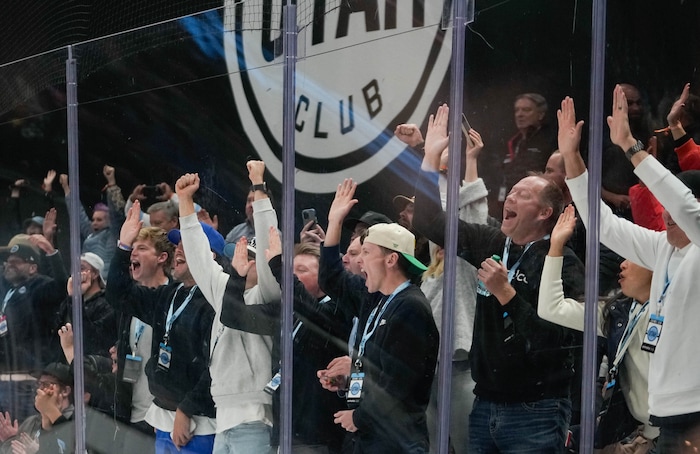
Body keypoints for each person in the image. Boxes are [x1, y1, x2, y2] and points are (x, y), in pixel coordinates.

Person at [413, 103, 584, 452]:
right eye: (513, 190)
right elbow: (428, 222)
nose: (512, 197)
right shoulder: (491, 242)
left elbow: (555, 343)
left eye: (525, 194)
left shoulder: (563, 263)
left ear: (545, 212)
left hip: (537, 409)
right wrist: (430, 158)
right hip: (485, 404)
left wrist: (506, 293)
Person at [559, 85, 700, 453]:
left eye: (672, 207)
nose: (666, 215)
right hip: (665, 410)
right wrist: (573, 159)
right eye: (663, 209)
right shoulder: (663, 249)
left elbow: (684, 204)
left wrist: (630, 146)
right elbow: (603, 224)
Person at [319, 179, 439, 453]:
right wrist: (334, 222)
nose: (359, 261)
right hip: (370, 436)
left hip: (395, 442)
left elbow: (397, 383)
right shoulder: (377, 299)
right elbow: (331, 278)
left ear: (391, 259)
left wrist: (359, 417)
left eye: (366, 252)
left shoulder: (410, 307)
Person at [175, 163, 279, 454]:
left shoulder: (269, 293)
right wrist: (185, 204)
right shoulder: (223, 290)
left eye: (256, 257)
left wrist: (258, 186)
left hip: (256, 419)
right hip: (224, 416)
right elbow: (199, 259)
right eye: (243, 254)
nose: (248, 261)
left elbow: (268, 232)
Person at [538, 205, 658, 451]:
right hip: (644, 433)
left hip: (683, 429)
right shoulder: (617, 313)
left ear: (657, 265)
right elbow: (551, 308)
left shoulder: (679, 310)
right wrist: (555, 247)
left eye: (631, 258)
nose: (621, 265)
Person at [221, 231, 353, 453]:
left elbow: (312, 312)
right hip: (284, 431)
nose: (292, 277)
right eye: (291, 271)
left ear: (324, 277)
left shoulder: (337, 311)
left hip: (319, 438)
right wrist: (237, 275)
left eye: (301, 271)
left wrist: (278, 268)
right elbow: (232, 316)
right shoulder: (286, 312)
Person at [107, 200, 216, 454]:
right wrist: (123, 246)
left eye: (186, 246)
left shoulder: (215, 301)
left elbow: (213, 366)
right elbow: (118, 295)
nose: (178, 251)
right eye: (178, 244)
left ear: (208, 254)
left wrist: (185, 409)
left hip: (198, 423)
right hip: (164, 417)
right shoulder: (168, 295)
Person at [0, 239, 65, 423]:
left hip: (28, 380)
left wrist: (52, 253)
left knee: (24, 436)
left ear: (32, 268)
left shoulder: (40, 287)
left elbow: (61, 287)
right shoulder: (9, 290)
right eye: (8, 261)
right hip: (8, 376)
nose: (9, 265)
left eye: (17, 262)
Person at [495, 93, 556, 217]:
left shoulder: (550, 140)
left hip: (535, 207)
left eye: (526, 110)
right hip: (509, 203)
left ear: (541, 114)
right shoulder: (513, 141)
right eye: (517, 110)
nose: (519, 114)